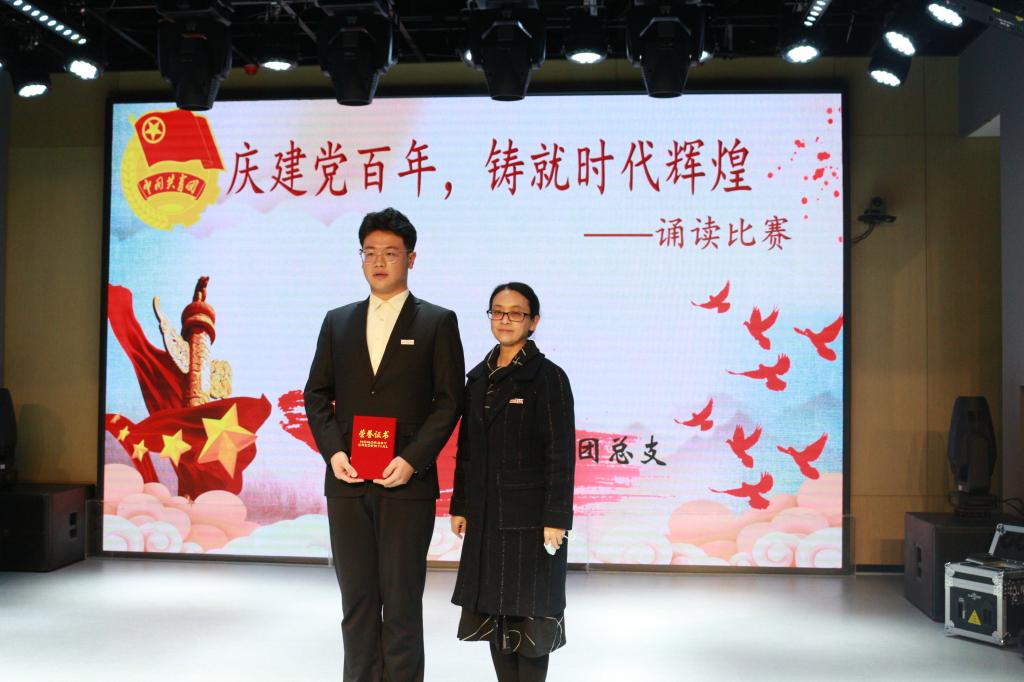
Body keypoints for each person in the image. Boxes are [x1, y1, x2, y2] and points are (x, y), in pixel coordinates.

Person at [303, 208, 465, 682]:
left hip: (406, 484)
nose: (378, 262)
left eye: (390, 253)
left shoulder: (437, 321)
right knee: (356, 602)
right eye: (370, 252)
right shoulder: (338, 321)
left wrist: (413, 460)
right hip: (347, 482)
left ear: (410, 258)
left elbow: (449, 401)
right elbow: (316, 395)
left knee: (400, 604)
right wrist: (335, 453)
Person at [449, 282, 576, 682]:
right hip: (487, 517)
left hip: (532, 522)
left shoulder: (549, 378)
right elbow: (467, 449)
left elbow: (560, 453)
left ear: (533, 321)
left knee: (532, 621)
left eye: (516, 313)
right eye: (498, 311)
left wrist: (556, 517)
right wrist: (460, 504)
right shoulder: (478, 379)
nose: (505, 320)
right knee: (496, 616)